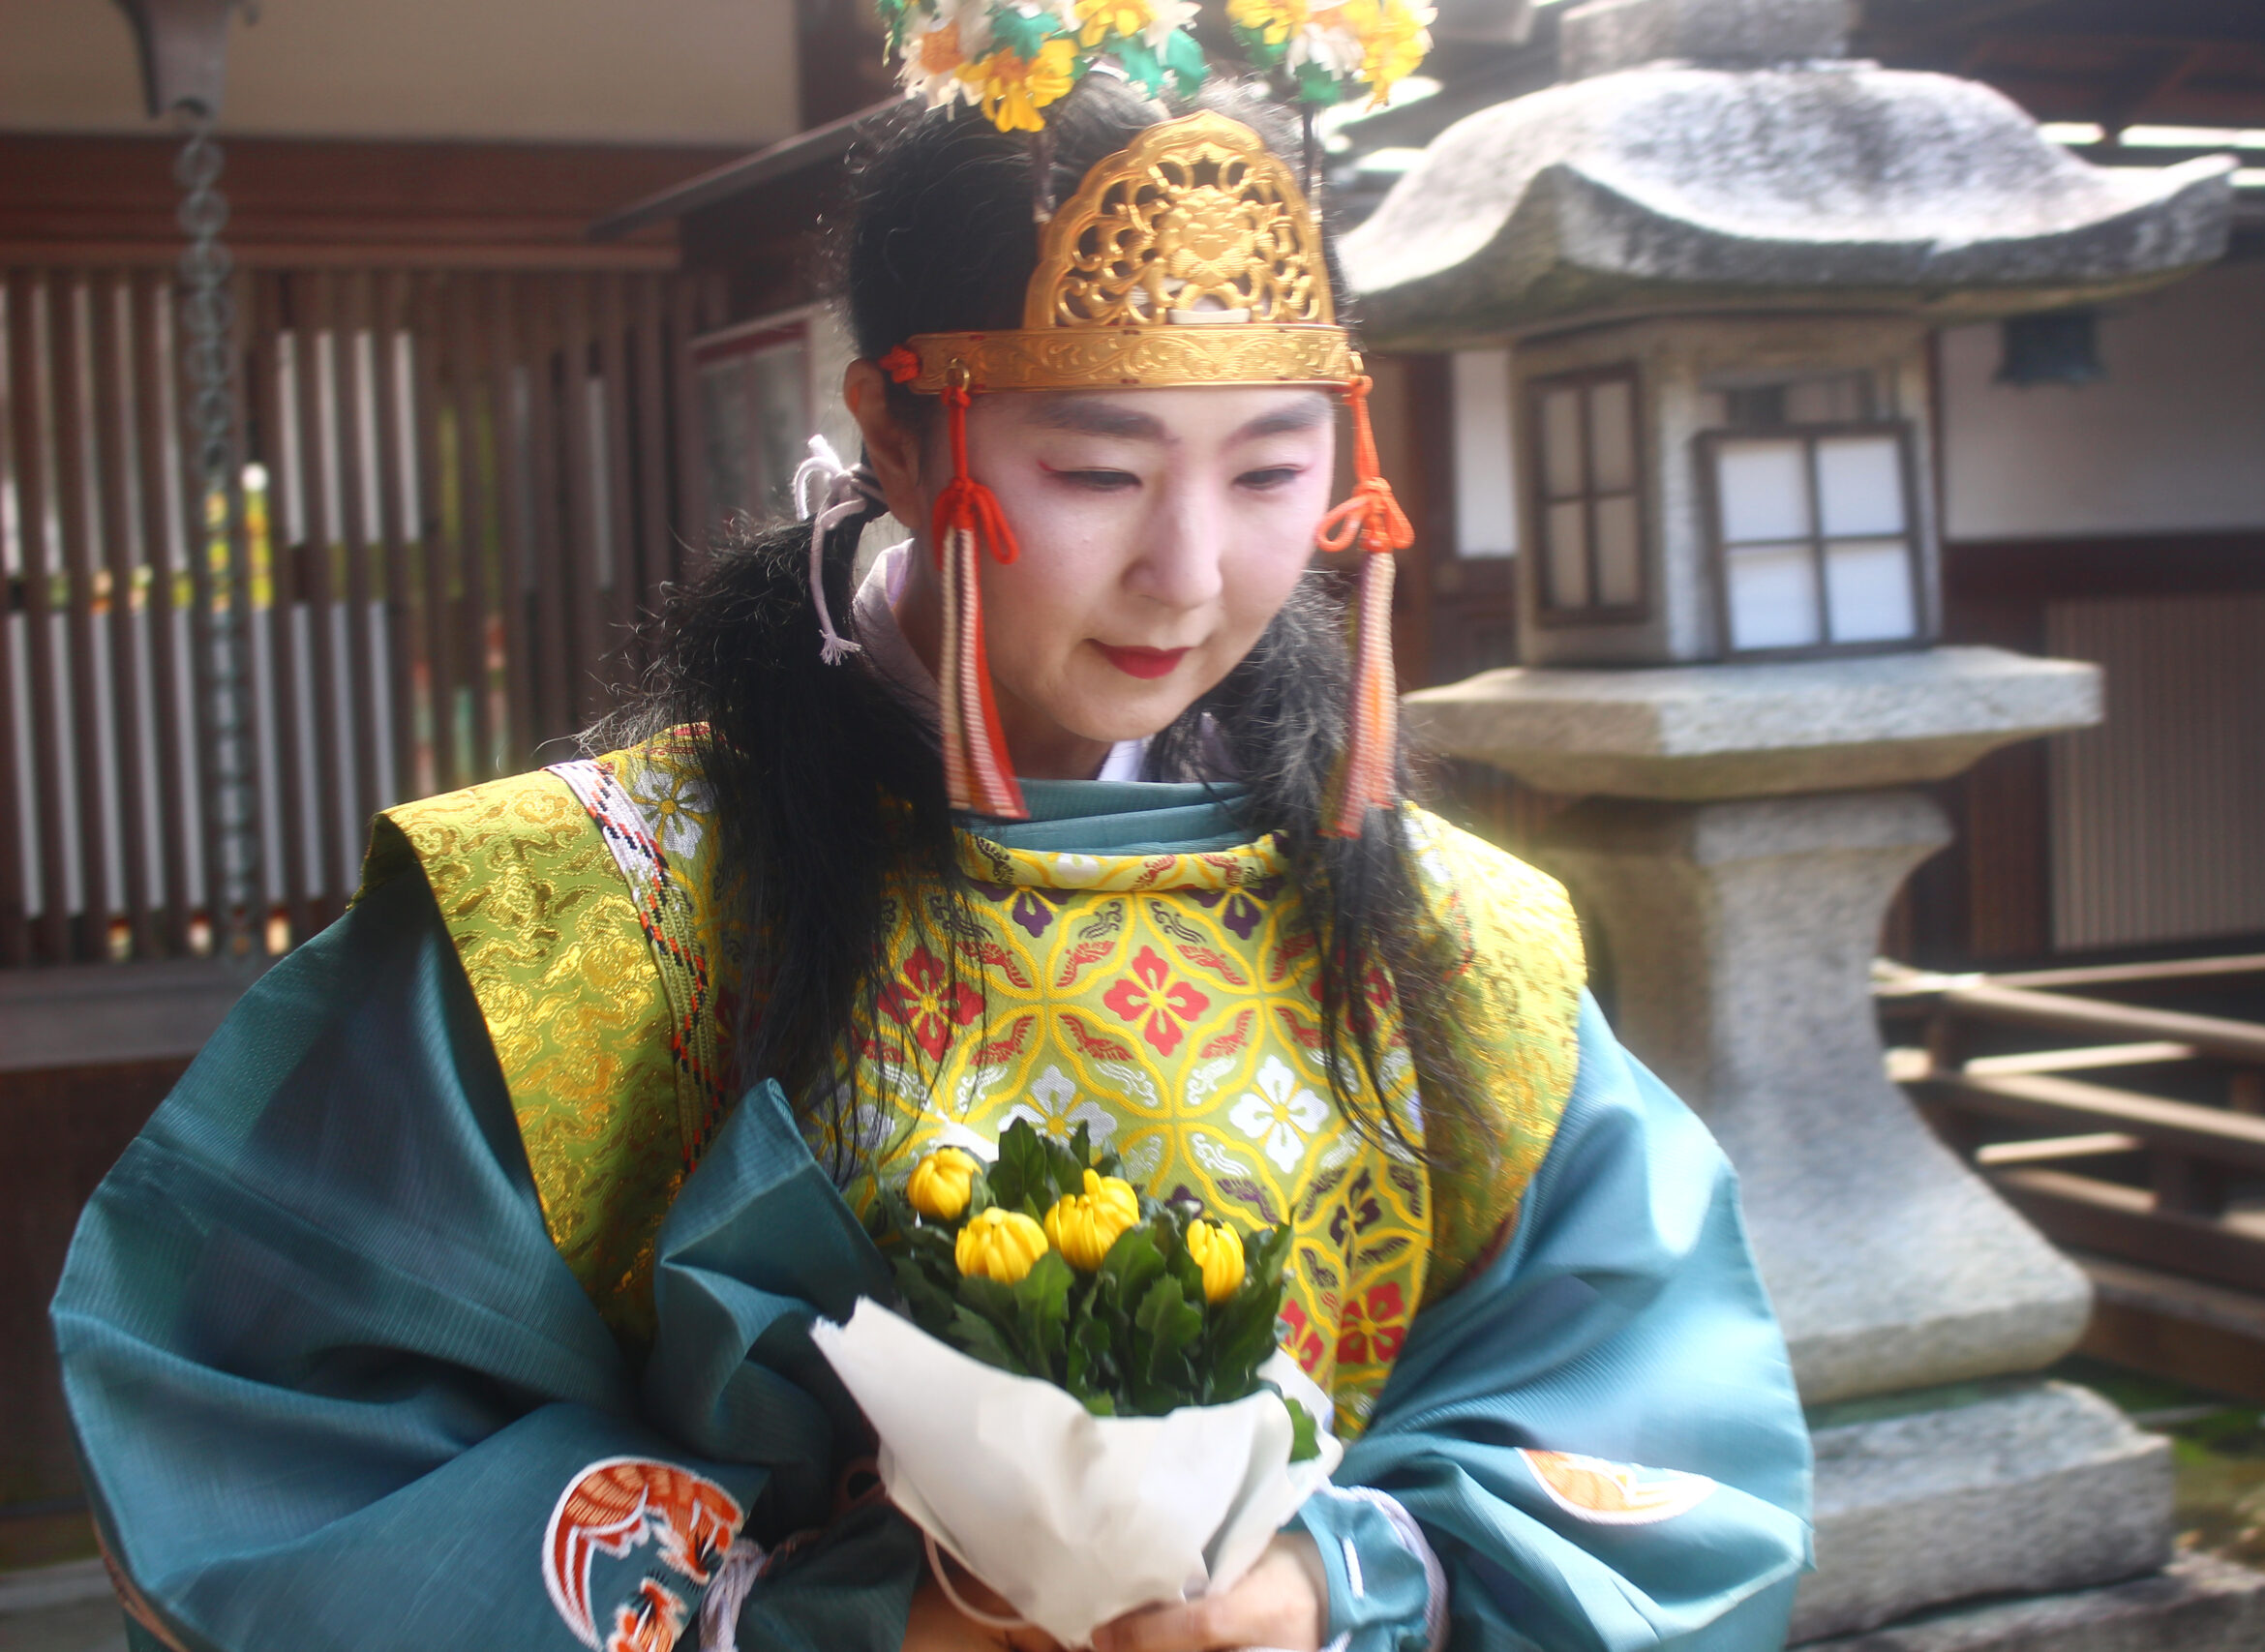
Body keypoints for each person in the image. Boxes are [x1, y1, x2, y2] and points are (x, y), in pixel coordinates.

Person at [51, 57, 1812, 1652]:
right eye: (1098, 468)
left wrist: (1329, 1587)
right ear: (895, 434)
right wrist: (841, 1624)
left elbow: (1646, 1432)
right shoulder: (580, 924)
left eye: (1273, 472)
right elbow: (284, 1437)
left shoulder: (1453, 936)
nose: (1191, 571)